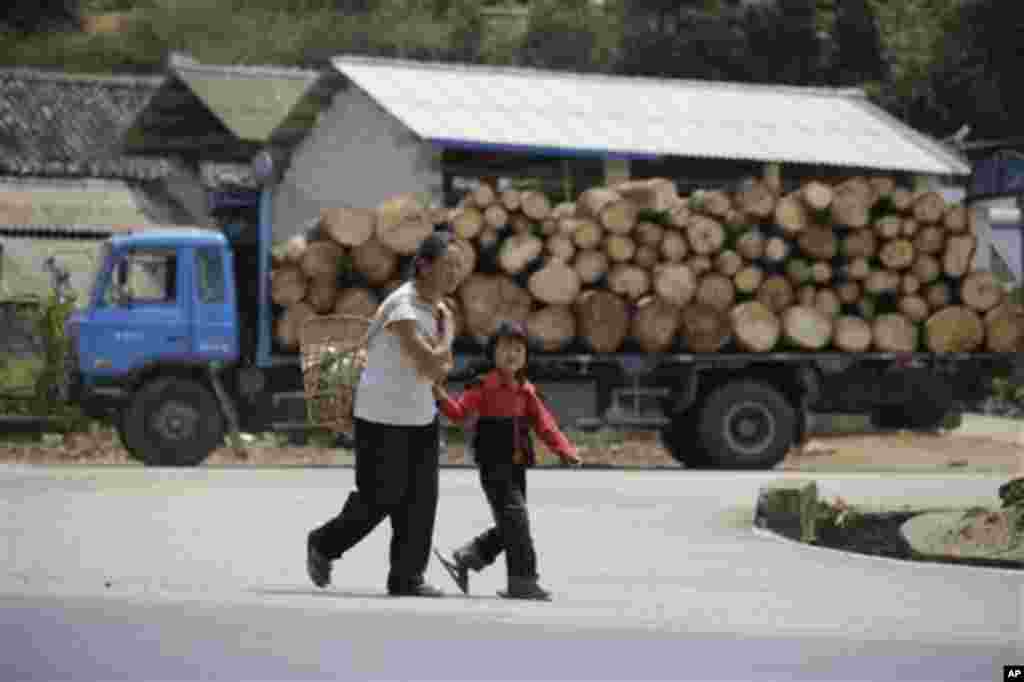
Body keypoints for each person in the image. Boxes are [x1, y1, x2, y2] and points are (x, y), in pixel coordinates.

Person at [306, 228, 462, 597]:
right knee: (380, 496)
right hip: (380, 418)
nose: (455, 273)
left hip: (420, 417)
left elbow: (437, 369)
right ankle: (324, 543)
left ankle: (407, 577)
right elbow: (429, 360)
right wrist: (448, 338)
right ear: (423, 266)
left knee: (421, 501)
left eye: (460, 266)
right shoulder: (401, 307)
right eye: (447, 265)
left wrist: (441, 355)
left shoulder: (438, 310)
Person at [431, 321, 582, 601]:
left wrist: (564, 449)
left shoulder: (526, 391)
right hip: (493, 464)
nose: (512, 353)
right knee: (516, 519)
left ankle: (470, 555)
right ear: (493, 353)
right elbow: (458, 413)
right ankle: (523, 581)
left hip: (518, 464)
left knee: (512, 522)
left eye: (518, 348)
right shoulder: (483, 386)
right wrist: (438, 393)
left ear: (526, 355)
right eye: (505, 348)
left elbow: (545, 424)